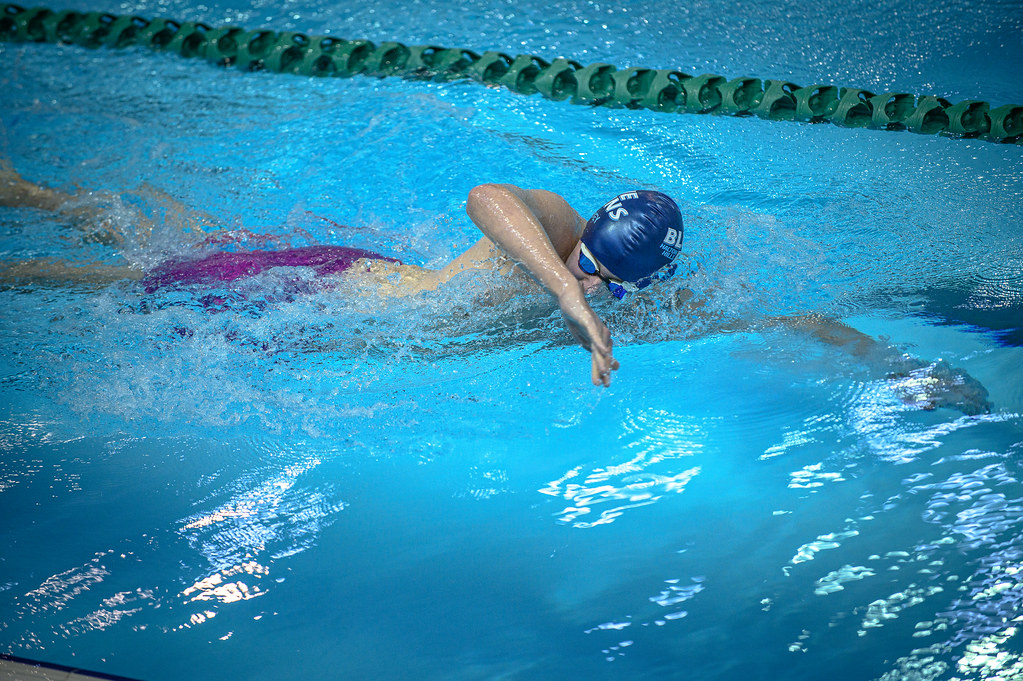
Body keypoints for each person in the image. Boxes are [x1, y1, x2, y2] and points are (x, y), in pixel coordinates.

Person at [1, 166, 681, 387]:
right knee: (134, 284)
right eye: (591, 268)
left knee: (168, 256)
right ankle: (29, 201)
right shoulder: (559, 225)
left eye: (614, 287)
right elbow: (483, 197)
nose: (593, 291)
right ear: (584, 239)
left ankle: (32, 196)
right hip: (321, 294)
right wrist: (564, 284)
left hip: (340, 322)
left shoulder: (613, 315)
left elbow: (727, 319)